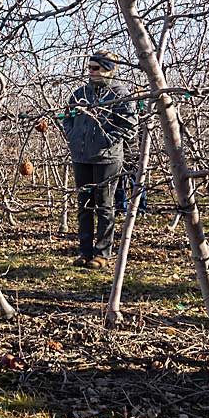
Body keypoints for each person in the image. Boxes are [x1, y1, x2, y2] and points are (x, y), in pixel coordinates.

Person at [62, 51, 136, 269]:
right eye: (90, 67)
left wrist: (106, 140)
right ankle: (84, 252)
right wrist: (73, 136)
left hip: (107, 159)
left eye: (96, 68)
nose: (91, 72)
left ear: (109, 69)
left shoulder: (120, 94)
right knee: (84, 205)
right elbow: (68, 118)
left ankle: (102, 253)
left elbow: (129, 125)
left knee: (104, 205)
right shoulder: (80, 94)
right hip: (81, 156)